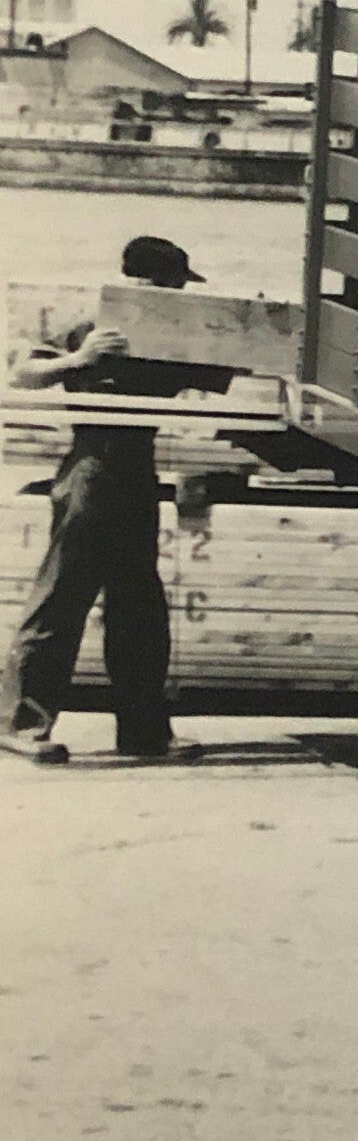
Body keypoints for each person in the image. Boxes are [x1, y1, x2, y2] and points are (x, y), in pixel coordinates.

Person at [0, 236, 211, 763]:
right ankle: (23, 725)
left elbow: (230, 365)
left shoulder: (172, 334)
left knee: (139, 608)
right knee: (61, 599)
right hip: (90, 473)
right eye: (177, 284)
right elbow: (21, 373)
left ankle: (144, 732)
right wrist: (79, 359)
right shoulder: (91, 322)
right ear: (159, 282)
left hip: (137, 472)